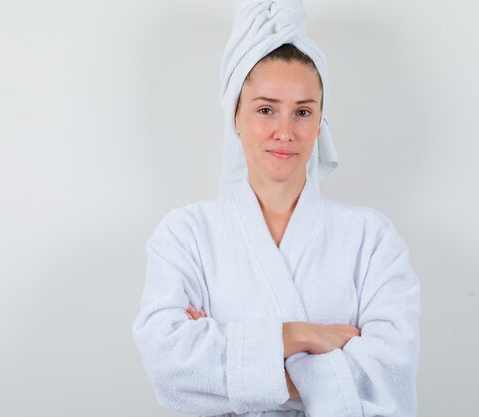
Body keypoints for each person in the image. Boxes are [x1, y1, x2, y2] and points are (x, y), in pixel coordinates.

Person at [132, 1, 420, 416]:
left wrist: (229, 359)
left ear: (321, 122)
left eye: (303, 112)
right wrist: (300, 336)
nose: (285, 132)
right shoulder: (185, 234)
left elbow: (388, 376)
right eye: (266, 109)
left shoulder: (372, 239)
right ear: (235, 117)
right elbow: (169, 368)